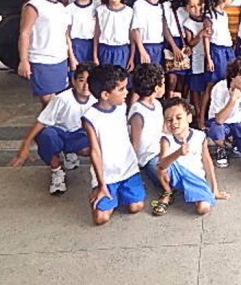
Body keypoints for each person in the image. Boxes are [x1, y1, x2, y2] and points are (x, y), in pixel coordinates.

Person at [9, 62, 96, 195]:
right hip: (58, 133)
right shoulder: (62, 99)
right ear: (73, 81)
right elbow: (41, 121)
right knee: (46, 136)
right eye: (81, 80)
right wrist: (25, 145)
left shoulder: (96, 99)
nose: (85, 86)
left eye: (90, 81)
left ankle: (70, 152)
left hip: (77, 134)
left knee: (94, 146)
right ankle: (57, 170)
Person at [82, 64, 145, 225]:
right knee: (100, 219)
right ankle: (104, 193)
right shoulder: (90, 117)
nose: (126, 92)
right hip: (107, 174)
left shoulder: (121, 107)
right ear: (105, 94)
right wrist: (101, 184)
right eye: (121, 89)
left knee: (136, 206)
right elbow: (95, 151)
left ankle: (116, 196)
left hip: (128, 169)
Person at [152, 98, 229, 216]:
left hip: (194, 177)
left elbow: (207, 161)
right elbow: (162, 165)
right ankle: (168, 192)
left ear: (189, 118)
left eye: (178, 118)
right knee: (161, 166)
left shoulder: (199, 136)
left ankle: (190, 191)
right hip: (175, 175)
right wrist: (178, 153)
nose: (174, 123)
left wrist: (215, 189)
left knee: (203, 208)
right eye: (169, 120)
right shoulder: (166, 139)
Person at [17, 0, 73, 108]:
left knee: (57, 104)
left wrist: (71, 58)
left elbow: (65, 35)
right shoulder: (34, 5)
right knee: (49, 104)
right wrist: (24, 61)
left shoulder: (61, 7)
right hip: (41, 61)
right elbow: (24, 33)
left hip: (60, 61)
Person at [128, 63, 166, 187]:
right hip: (148, 158)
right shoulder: (138, 112)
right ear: (156, 88)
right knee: (166, 177)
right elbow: (134, 144)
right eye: (163, 83)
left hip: (161, 151)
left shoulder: (157, 105)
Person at [94, 0, 133, 70]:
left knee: (120, 76)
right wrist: (95, 55)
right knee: (105, 76)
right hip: (104, 50)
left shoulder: (129, 11)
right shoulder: (101, 10)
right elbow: (96, 34)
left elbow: (132, 36)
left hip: (122, 51)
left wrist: (131, 58)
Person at [129, 0, 167, 69]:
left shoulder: (161, 7)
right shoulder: (140, 4)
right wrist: (142, 50)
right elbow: (135, 30)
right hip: (145, 46)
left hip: (159, 47)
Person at [182, 0, 209, 128]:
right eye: (192, 6)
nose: (197, 9)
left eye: (199, 5)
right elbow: (190, 43)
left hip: (208, 57)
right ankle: (198, 115)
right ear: (187, 8)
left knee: (207, 87)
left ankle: (206, 114)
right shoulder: (188, 23)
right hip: (196, 59)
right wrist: (200, 35)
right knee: (196, 88)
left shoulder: (207, 19)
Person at [163, 0, 191, 98]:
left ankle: (180, 103)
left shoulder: (189, 5)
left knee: (182, 80)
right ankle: (168, 101)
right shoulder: (166, 5)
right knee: (171, 78)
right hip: (171, 42)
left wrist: (189, 46)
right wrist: (174, 47)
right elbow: (165, 28)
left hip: (185, 42)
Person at [202, 0, 234, 87]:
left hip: (227, 49)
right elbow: (206, 38)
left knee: (227, 80)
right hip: (216, 51)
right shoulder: (210, 16)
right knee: (213, 83)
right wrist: (209, 58)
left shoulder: (224, 14)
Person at [67, 0, 98, 66]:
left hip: (93, 45)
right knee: (77, 72)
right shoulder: (69, 9)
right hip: (76, 46)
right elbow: (66, 34)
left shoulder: (98, 8)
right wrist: (71, 56)